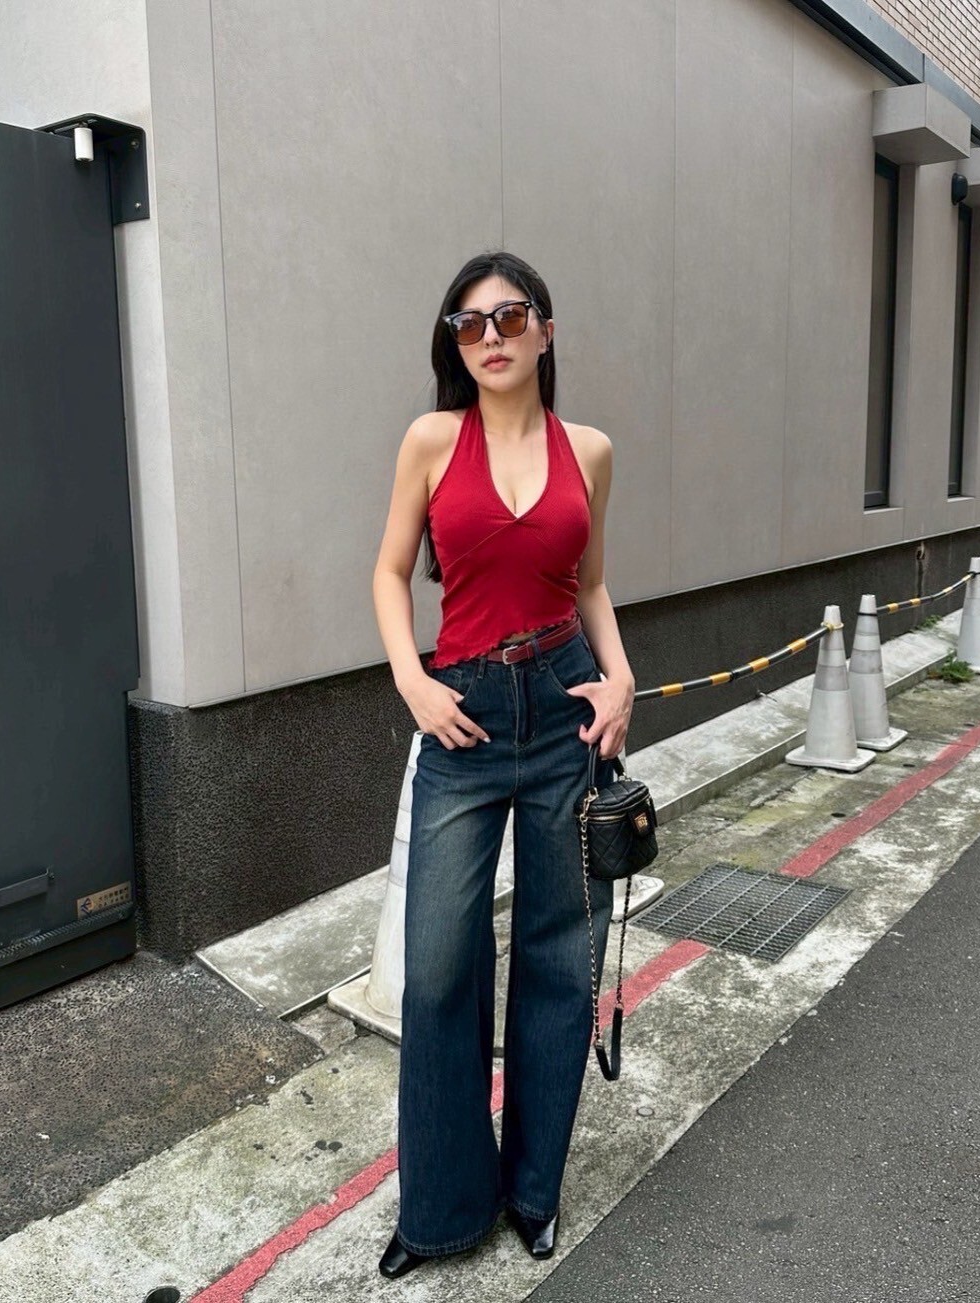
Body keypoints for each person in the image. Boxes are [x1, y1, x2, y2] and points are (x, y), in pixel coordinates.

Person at [371, 250, 636, 1279]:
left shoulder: (591, 450)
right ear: (455, 340)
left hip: (566, 709)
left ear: (545, 331)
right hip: (463, 720)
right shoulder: (433, 439)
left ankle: (533, 1192)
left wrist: (620, 679)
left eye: (510, 316)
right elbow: (390, 570)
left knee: (558, 957)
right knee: (439, 964)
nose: (490, 336)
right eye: (469, 322)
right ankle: (441, 1209)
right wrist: (412, 680)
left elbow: (591, 584)